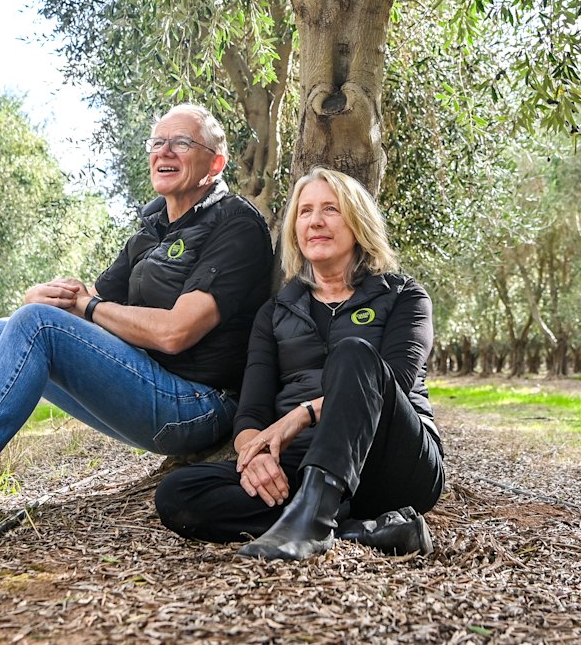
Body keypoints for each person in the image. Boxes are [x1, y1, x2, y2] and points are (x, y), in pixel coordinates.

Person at [155, 167, 445, 561]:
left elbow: (391, 381)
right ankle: (353, 528)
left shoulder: (404, 296)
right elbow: (252, 413)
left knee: (356, 353)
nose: (315, 221)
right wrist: (254, 455)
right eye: (305, 212)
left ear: (358, 221)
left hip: (392, 462)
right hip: (299, 466)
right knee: (178, 495)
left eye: (331, 209)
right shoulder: (274, 313)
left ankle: (311, 521)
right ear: (294, 229)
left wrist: (302, 414)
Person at [0, 103, 273, 458]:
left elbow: (175, 332)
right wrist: (42, 297)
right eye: (157, 143)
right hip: (149, 385)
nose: (164, 151)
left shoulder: (235, 222)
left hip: (201, 405)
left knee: (37, 326)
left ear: (216, 163)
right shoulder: (150, 231)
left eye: (182, 143)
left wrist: (84, 306)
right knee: (7, 327)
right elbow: (84, 306)